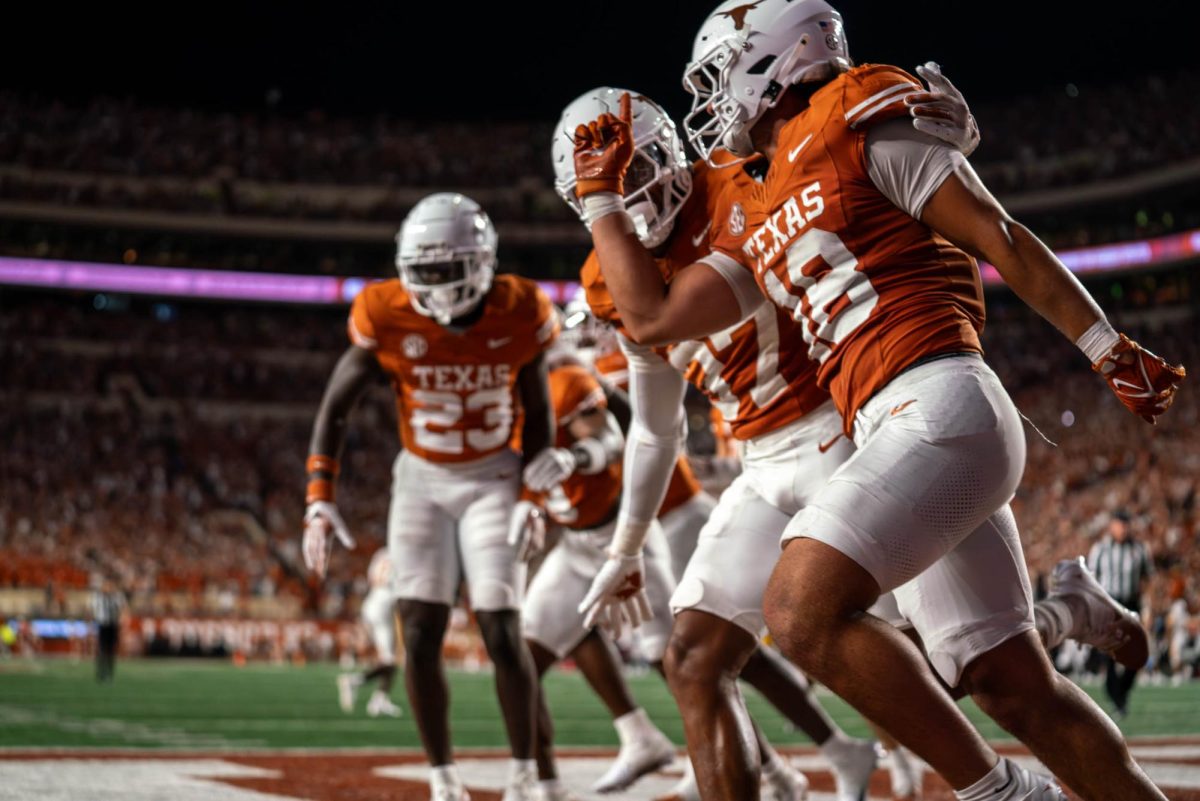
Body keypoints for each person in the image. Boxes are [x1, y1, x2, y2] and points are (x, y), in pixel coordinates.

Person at [567, 1, 1185, 799]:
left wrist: (1103, 345)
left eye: (720, 77)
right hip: (892, 423)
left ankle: (997, 791)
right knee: (1004, 683)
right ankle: (1068, 618)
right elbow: (652, 319)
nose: (712, 102)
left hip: (933, 402)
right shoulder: (755, 199)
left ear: (774, 64)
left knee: (801, 611)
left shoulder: (851, 113)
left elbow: (994, 233)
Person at [556, 86, 972, 801]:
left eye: (638, 175)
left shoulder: (737, 191)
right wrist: (625, 551)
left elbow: (662, 315)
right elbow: (658, 425)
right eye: (602, 195)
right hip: (761, 463)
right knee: (692, 657)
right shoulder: (606, 270)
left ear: (673, 155)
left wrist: (949, 146)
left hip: (841, 433)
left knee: (949, 659)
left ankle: (1061, 615)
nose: (629, 202)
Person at [301, 192, 559, 801]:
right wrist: (319, 494)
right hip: (421, 475)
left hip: (494, 474)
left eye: (446, 271)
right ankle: (443, 780)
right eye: (422, 272)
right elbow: (337, 402)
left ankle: (524, 776)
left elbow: (539, 405)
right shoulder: (384, 311)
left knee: (500, 626)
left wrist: (531, 493)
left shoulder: (519, 307)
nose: (434, 285)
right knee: (417, 628)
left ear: (481, 263)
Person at [513, 336, 678, 800]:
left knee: (676, 658)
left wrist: (573, 458)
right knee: (521, 663)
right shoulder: (489, 407)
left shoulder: (564, 381)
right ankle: (545, 787)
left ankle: (768, 768)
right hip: (575, 546)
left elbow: (607, 437)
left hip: (627, 538)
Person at [1086, 509, 1155, 716]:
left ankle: (1121, 694)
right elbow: (1090, 581)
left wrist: (1148, 607)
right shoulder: (1100, 549)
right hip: (1109, 604)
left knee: (1137, 653)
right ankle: (1117, 699)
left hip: (1131, 604)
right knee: (1109, 654)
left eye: (1126, 525)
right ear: (1112, 526)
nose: (1124, 529)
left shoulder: (1140, 549)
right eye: (1120, 524)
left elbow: (1148, 580)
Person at [338, 548, 404, 718]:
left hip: (373, 601)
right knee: (389, 661)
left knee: (389, 660)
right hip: (384, 605)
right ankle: (354, 681)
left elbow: (372, 578)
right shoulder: (402, 552)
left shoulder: (380, 554)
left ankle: (380, 699)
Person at [91, 575, 126, 683]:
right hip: (103, 625)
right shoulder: (98, 597)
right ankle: (101, 672)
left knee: (111, 650)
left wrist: (121, 621)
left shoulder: (117, 596)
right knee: (102, 649)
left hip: (113, 625)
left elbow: (123, 609)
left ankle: (110, 673)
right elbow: (93, 610)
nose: (108, 588)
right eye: (107, 585)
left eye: (110, 585)